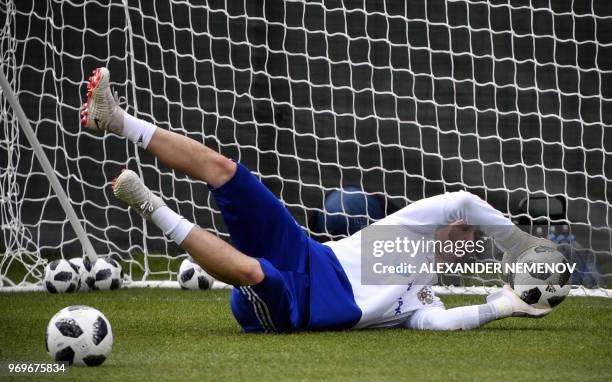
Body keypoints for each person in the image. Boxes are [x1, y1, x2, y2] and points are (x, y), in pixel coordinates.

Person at [81, 67, 554, 332]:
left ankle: (150, 206)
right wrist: (519, 244)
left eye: (471, 241)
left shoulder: (424, 295)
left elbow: (442, 324)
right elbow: (464, 201)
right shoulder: (413, 229)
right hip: (307, 252)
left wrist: (508, 304)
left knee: (252, 271)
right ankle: (118, 120)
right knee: (225, 171)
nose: (467, 236)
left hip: (296, 311)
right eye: (466, 232)